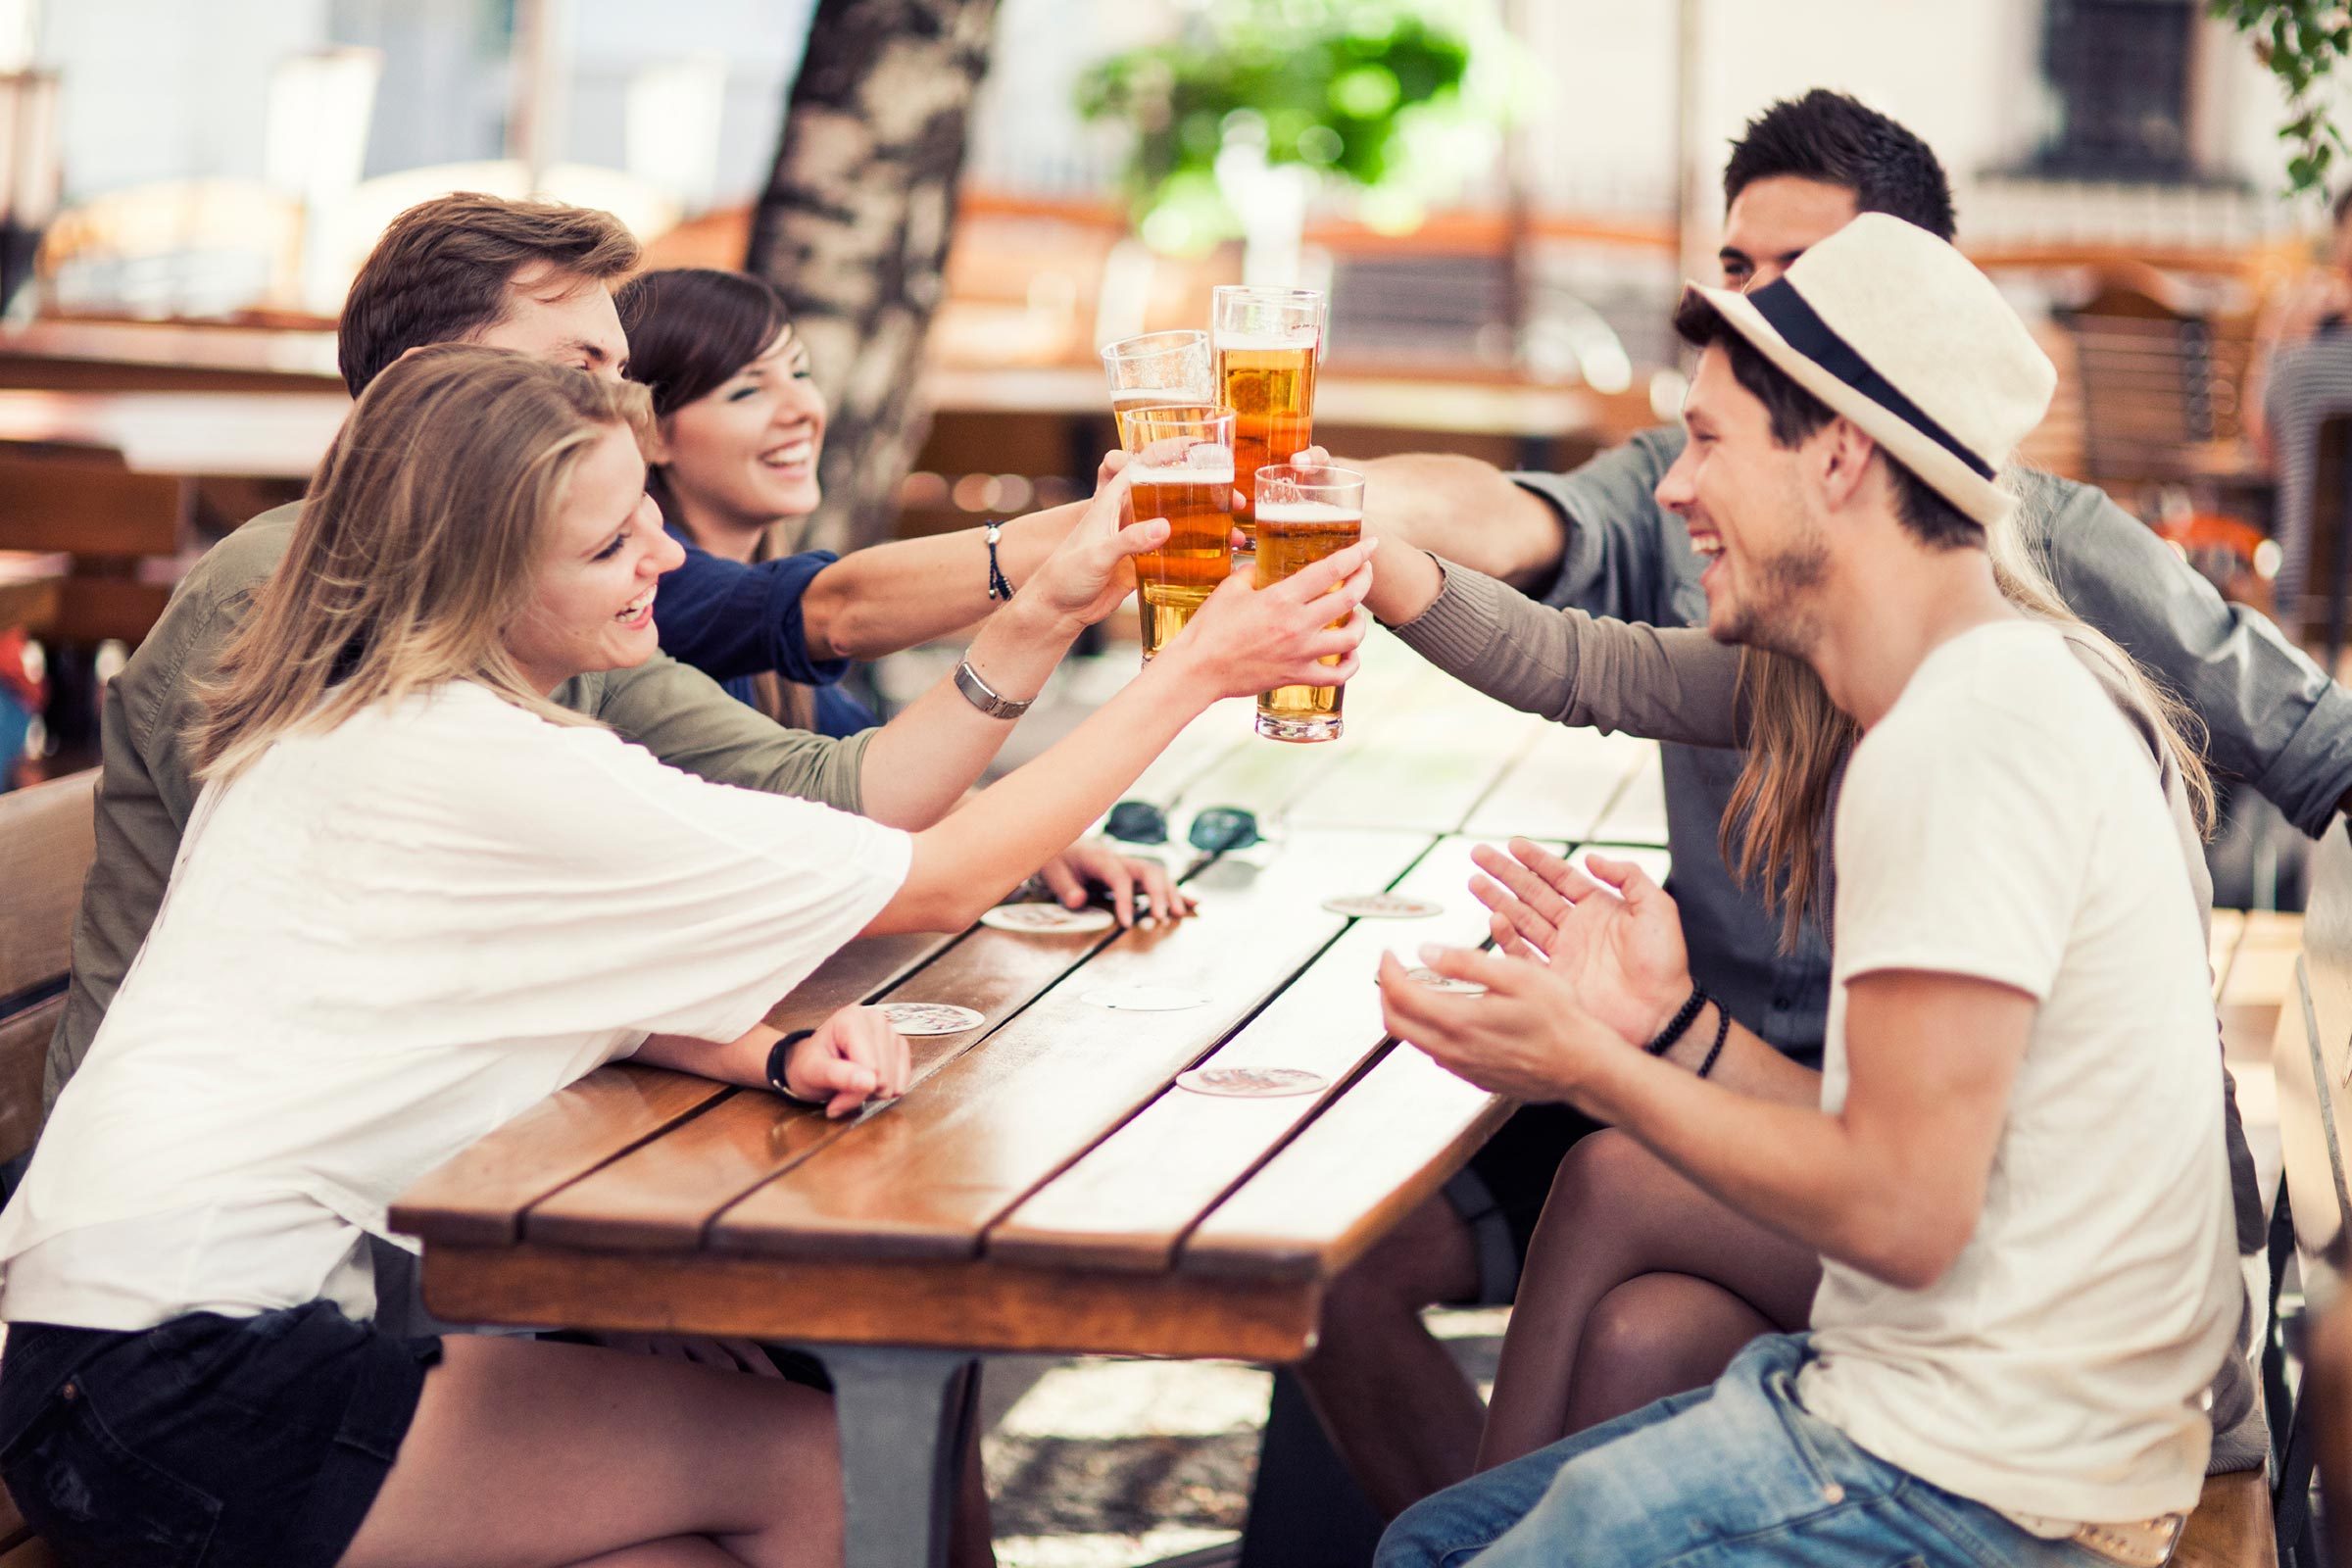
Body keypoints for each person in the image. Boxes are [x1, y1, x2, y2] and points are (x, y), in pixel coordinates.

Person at [0, 345, 1370, 1568]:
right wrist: (1189, 673)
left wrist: (1040, 620)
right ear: (478, 574)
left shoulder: (372, 718)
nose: (660, 559)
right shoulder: (478, 763)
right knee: (827, 1467)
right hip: (182, 1389)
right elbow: (936, 873)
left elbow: (483, 971)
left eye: (645, 520)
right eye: (608, 549)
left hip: (102, 1367)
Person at [1297, 88, 2308, 1513]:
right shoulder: (1853, 658)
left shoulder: (1977, 703)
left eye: (1801, 292)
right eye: (1743, 275)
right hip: (1982, 1285)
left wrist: (1600, 1060)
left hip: (2042, 1378)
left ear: (1845, 437)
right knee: (1629, 1297)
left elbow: (1905, 1204)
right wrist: (1361, 538)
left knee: (1592, 1207)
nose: (1673, 487)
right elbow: (1574, 656)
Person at [44, 192, 1138, 1111]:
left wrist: (760, 1046)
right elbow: (824, 648)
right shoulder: (297, 592)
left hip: (393, 1134)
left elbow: (844, 790)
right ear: (432, 384)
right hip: (244, 1192)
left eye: (621, 379)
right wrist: (1097, 597)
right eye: (579, 371)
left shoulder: (532, 600)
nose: (625, 419)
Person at [617, 265, 1183, 921]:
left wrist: (1030, 844)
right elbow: (838, 610)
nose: (802, 408)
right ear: (648, 430)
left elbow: (883, 778)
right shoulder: (650, 593)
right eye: (747, 391)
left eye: (799, 373)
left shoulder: (768, 638)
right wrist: (1110, 522)